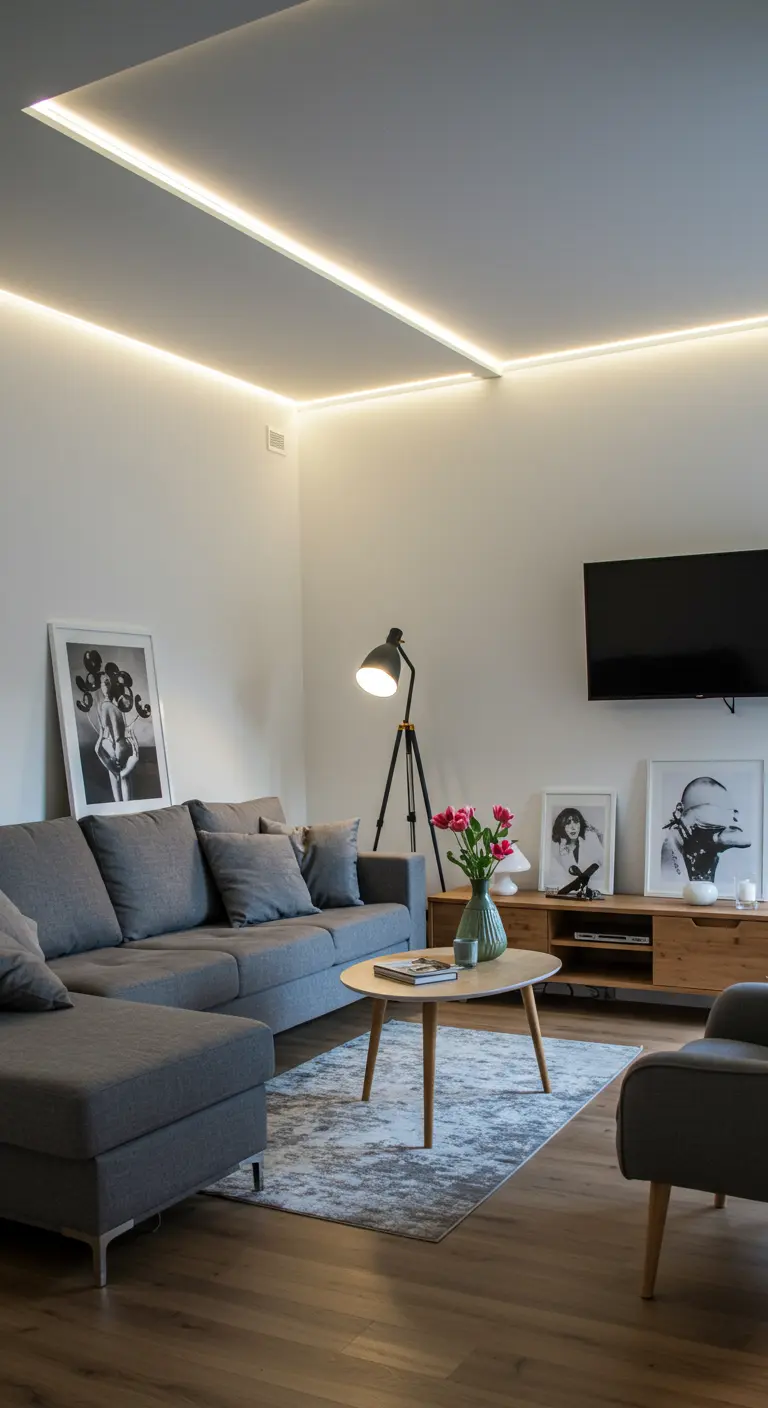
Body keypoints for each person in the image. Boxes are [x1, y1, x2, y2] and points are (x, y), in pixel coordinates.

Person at [75, 650, 150, 804]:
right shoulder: (111, 706)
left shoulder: (107, 706)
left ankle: (121, 807)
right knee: (123, 779)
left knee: (117, 778)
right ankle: (125, 807)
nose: (106, 686)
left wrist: (104, 739)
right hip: (118, 744)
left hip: (114, 744)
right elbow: (111, 728)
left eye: (108, 683)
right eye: (104, 683)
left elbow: (105, 729)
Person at [661, 776, 750, 883]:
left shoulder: (715, 838)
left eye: (727, 812)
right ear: (680, 811)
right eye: (711, 811)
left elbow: (745, 839)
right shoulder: (672, 839)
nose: (722, 822)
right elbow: (668, 883)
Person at [549, 807, 604, 889]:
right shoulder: (558, 850)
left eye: (576, 822)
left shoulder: (589, 841)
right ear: (562, 826)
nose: (573, 827)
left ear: (580, 824)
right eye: (568, 823)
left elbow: (601, 863)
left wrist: (599, 835)